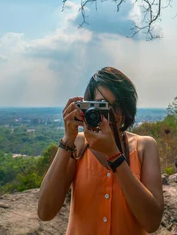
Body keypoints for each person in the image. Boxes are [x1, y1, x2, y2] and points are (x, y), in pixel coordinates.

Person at [37, 67, 164, 234]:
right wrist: (68, 139)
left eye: (117, 105)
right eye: (103, 106)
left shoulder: (145, 147)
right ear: (89, 107)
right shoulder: (78, 145)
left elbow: (152, 222)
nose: (111, 114)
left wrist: (114, 155)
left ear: (127, 108)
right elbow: (45, 212)